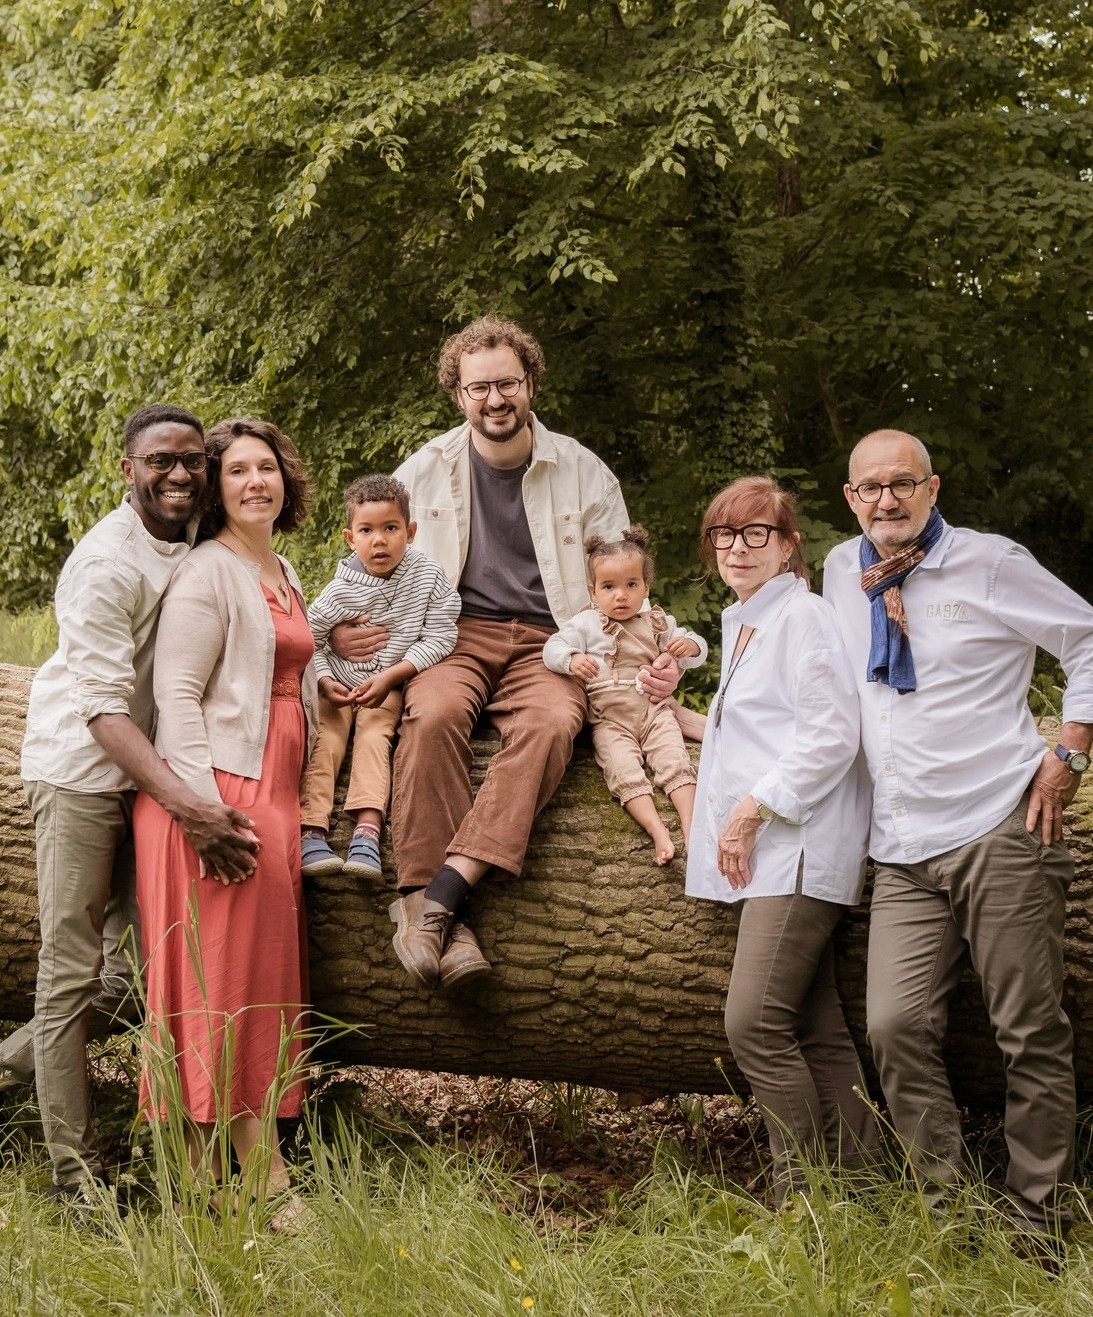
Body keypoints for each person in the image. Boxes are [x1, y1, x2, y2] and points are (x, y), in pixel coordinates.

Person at [329, 315, 681, 991]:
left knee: (552, 724)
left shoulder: (582, 471)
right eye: (479, 387)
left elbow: (624, 579)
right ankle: (426, 906)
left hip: (553, 642)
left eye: (508, 384)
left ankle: (444, 894)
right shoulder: (422, 472)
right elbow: (370, 557)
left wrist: (654, 654)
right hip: (451, 635)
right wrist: (344, 629)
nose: (495, 399)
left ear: (530, 385)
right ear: (457, 394)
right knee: (432, 718)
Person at [824, 429, 1093, 1251]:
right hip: (899, 846)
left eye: (902, 484)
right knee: (892, 1027)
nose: (886, 500)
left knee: (1028, 1031)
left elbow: (1086, 636)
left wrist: (1069, 754)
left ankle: (1037, 1224)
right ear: (850, 498)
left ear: (931, 489)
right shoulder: (840, 571)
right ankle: (949, 1214)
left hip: (998, 826)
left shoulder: (989, 563)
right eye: (870, 487)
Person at [1, 405, 257, 1207]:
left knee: (143, 972)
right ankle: (75, 1181)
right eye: (159, 461)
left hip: (148, 778)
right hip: (81, 778)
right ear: (128, 470)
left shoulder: (197, 533)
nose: (178, 474)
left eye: (192, 460)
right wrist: (192, 808)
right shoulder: (104, 565)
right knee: (68, 977)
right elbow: (104, 712)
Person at [132, 417, 318, 1223]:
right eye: (236, 470)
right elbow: (176, 696)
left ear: (285, 480)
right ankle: (265, 1182)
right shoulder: (208, 571)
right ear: (216, 487)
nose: (254, 482)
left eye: (265, 468)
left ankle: (207, 1187)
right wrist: (209, 813)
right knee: (225, 991)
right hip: (217, 797)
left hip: (272, 790)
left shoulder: (281, 568)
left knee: (255, 986)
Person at [686, 476, 878, 1204]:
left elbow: (831, 735)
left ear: (788, 545)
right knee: (817, 1028)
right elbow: (761, 731)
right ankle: (860, 1193)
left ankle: (800, 1200)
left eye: (756, 533)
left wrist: (748, 812)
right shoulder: (748, 622)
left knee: (754, 1025)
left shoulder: (803, 617)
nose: (737, 548)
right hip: (773, 855)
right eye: (724, 534)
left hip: (797, 851)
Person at [298, 474, 460, 879]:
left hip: (386, 685)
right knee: (325, 739)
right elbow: (308, 640)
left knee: (375, 736)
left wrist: (393, 676)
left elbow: (442, 634)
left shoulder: (428, 576)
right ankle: (310, 831)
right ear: (350, 538)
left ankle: (367, 831)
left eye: (390, 528)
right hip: (337, 685)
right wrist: (324, 682)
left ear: (410, 531)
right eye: (367, 531)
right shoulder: (339, 591)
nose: (380, 541)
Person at [542, 526, 706, 863]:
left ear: (646, 587)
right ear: (593, 591)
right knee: (623, 769)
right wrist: (571, 659)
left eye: (631, 585)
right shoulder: (586, 624)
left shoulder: (657, 621)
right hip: (609, 720)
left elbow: (697, 646)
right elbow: (552, 648)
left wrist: (689, 646)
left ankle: (692, 828)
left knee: (675, 760)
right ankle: (658, 831)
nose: (621, 596)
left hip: (654, 710)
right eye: (609, 587)